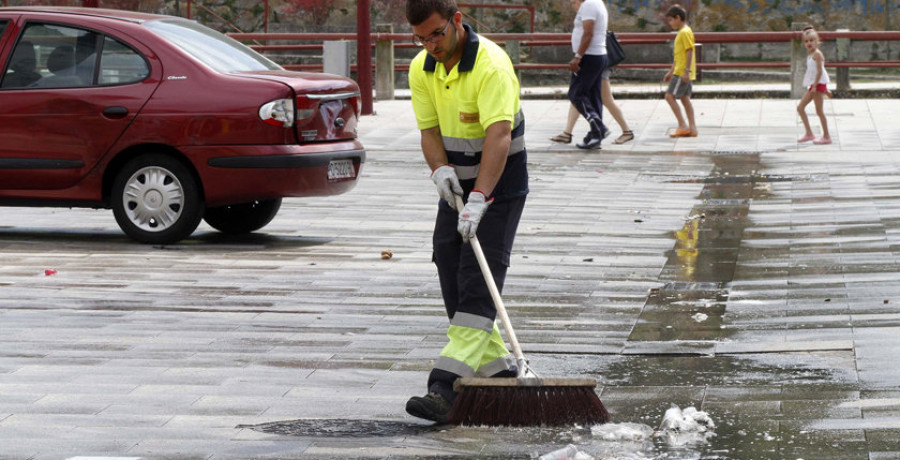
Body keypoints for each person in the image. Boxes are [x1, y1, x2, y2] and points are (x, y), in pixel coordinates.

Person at [404, 0, 529, 423]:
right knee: (448, 262)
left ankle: (445, 387)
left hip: (501, 181)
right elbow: (429, 130)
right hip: (457, 183)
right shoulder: (422, 67)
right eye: (421, 38)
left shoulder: (491, 65)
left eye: (436, 34)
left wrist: (481, 199)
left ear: (457, 21)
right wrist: (439, 169)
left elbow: (498, 135)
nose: (430, 45)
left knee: (479, 277)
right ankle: (499, 374)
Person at [566, 0, 610, 149]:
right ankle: (595, 136)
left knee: (576, 94)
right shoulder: (596, 3)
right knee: (593, 96)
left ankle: (599, 127)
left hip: (589, 56)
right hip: (596, 55)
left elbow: (588, 33)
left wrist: (578, 56)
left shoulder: (590, 5)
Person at [549, 74, 634, 145]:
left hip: (597, 67)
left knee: (606, 99)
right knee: (577, 98)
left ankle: (626, 131)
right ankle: (567, 133)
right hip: (597, 65)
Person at [663, 5, 697, 138]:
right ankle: (692, 128)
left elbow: (689, 51)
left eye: (671, 20)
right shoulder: (683, 32)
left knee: (669, 97)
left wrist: (686, 71)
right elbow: (679, 55)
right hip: (680, 71)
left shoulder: (684, 32)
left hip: (682, 72)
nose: (670, 23)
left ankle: (683, 125)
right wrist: (671, 71)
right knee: (685, 99)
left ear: (678, 18)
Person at [797, 27, 832, 145]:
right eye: (806, 41)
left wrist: (817, 87)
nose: (809, 43)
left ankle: (826, 136)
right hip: (815, 85)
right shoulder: (811, 55)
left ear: (817, 41)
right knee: (800, 108)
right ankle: (809, 133)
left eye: (811, 40)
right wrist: (823, 89)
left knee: (819, 111)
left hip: (816, 86)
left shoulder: (817, 54)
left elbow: (820, 71)